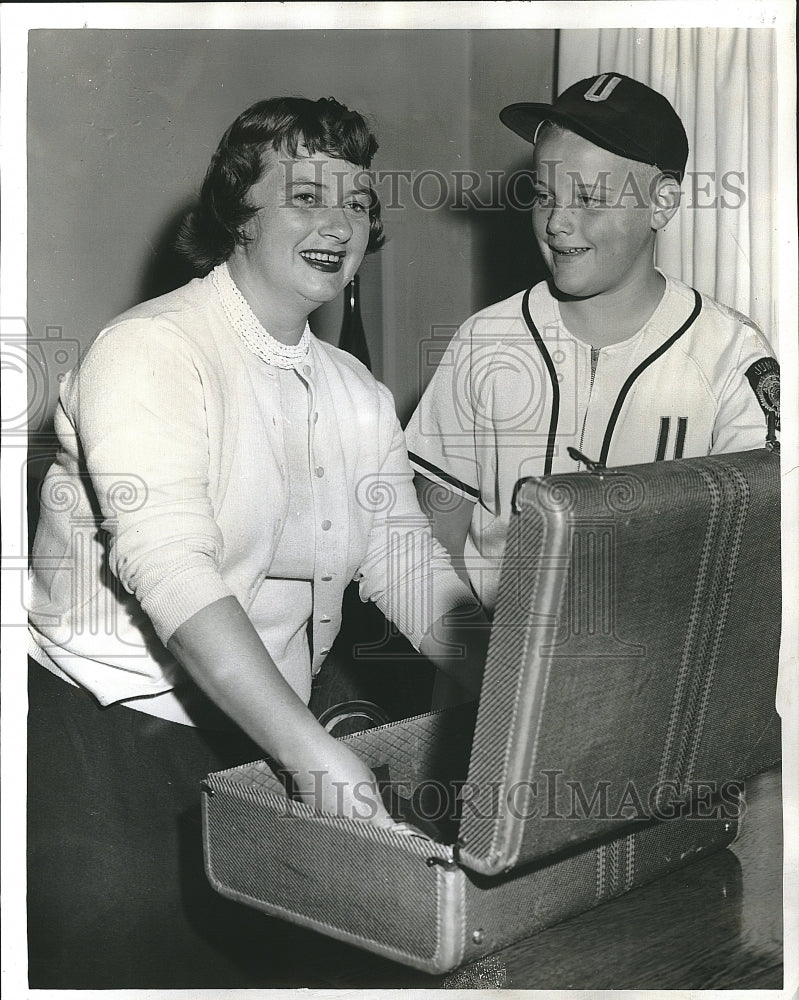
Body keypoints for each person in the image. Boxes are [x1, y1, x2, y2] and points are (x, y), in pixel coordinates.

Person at [27, 96, 485, 989]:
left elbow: (401, 559)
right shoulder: (151, 349)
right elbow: (172, 571)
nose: (338, 223)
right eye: (306, 195)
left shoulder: (353, 390)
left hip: (255, 730)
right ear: (238, 212)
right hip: (107, 738)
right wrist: (313, 754)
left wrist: (512, 675)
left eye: (356, 202)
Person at [405, 73, 781, 612]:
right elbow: (428, 543)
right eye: (543, 195)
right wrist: (489, 665)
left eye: (589, 197)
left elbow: (753, 574)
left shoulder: (730, 355)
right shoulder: (484, 341)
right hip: (484, 668)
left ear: (663, 203)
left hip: (651, 677)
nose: (558, 222)